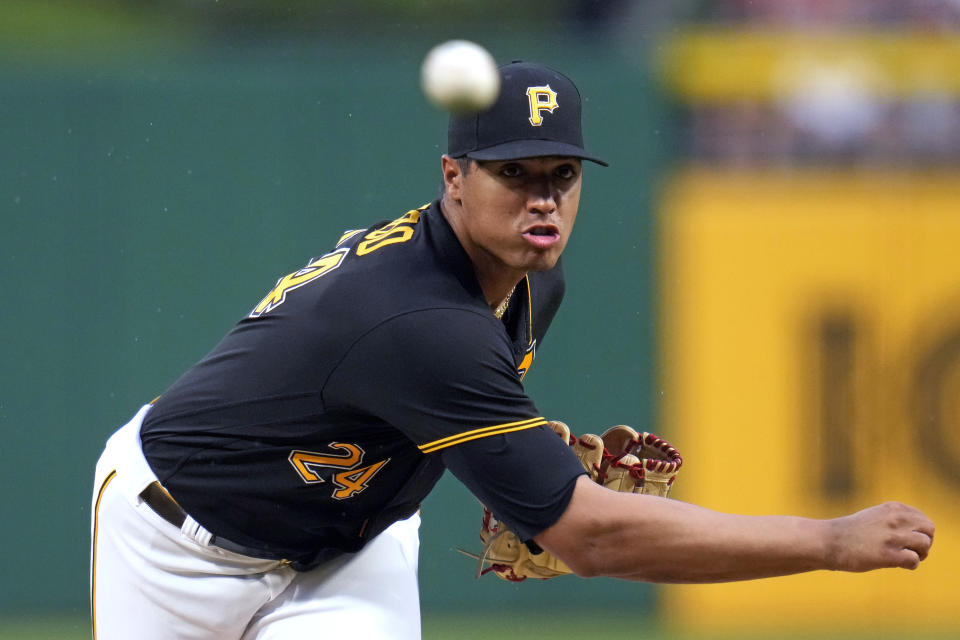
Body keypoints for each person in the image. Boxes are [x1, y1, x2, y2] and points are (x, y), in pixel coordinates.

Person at [90, 61, 934, 639]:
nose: (544, 201)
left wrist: (529, 477)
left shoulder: (531, 281)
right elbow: (593, 539)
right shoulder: (420, 321)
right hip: (175, 538)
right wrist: (826, 542)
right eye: (515, 174)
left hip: (347, 544)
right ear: (454, 176)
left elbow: (431, 418)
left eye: (561, 176)